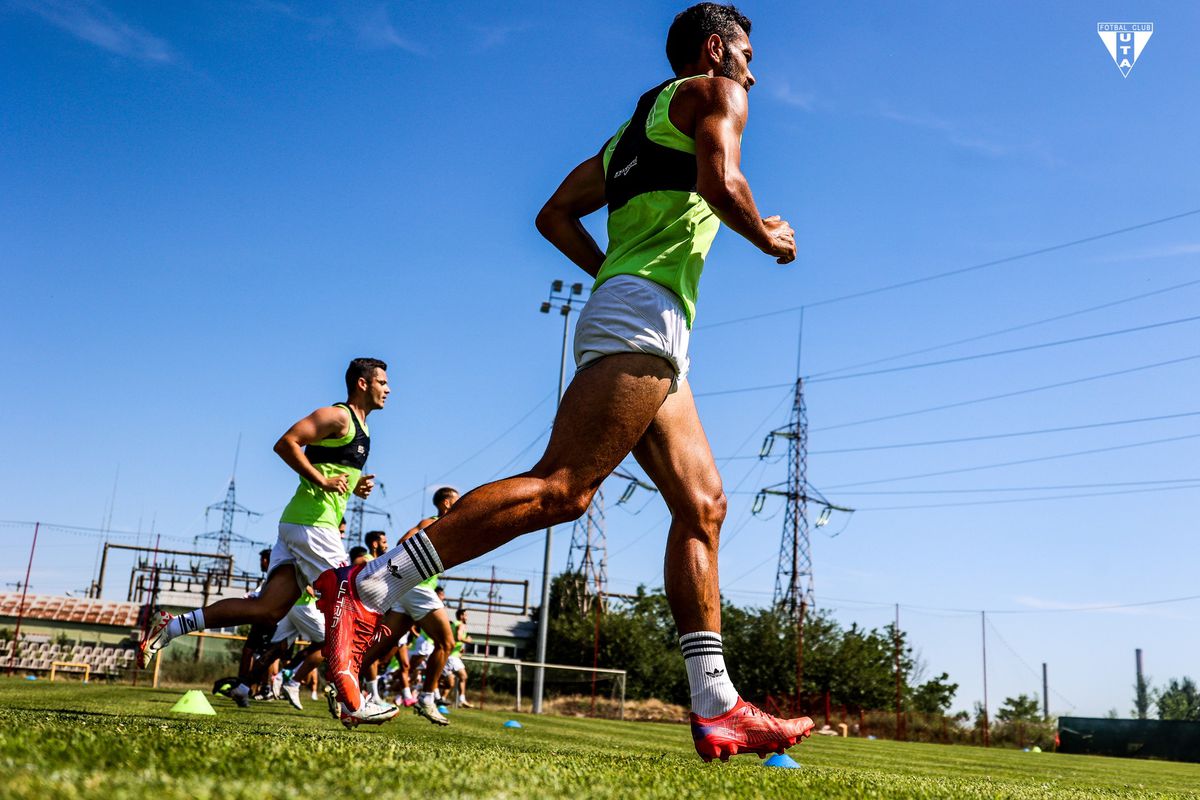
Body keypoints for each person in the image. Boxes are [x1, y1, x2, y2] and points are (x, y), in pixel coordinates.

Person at [318, 4, 812, 761]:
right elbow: (722, 181)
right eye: (747, 50)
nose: (755, 67)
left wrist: (611, 275)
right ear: (716, 49)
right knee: (563, 488)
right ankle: (371, 588)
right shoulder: (716, 93)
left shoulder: (625, 141)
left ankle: (717, 707)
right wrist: (767, 234)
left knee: (703, 504)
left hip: (642, 316)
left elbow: (554, 214)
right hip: (643, 317)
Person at [138, 358, 399, 729]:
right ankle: (351, 701)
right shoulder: (338, 417)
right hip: (313, 527)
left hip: (300, 525)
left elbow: (327, 467)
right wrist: (322, 482)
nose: (388, 389)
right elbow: (286, 443)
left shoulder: (362, 429)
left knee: (267, 610)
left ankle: (172, 625)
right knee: (352, 603)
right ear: (362, 383)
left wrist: (353, 485)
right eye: (383, 382)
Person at [353, 487, 461, 726]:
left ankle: (341, 683)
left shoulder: (443, 525)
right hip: (418, 587)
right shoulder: (432, 522)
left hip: (409, 588)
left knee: (382, 646)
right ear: (445, 504)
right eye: (457, 500)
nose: (461, 503)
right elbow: (404, 542)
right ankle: (427, 698)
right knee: (446, 643)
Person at [443, 608, 472, 708]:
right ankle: (461, 700)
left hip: (449, 654)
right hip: (452, 657)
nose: (467, 617)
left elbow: (452, 639)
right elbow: (459, 638)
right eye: (466, 615)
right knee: (463, 677)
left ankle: (441, 699)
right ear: (461, 616)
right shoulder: (460, 624)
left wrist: (458, 649)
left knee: (449, 683)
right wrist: (467, 640)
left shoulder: (453, 624)